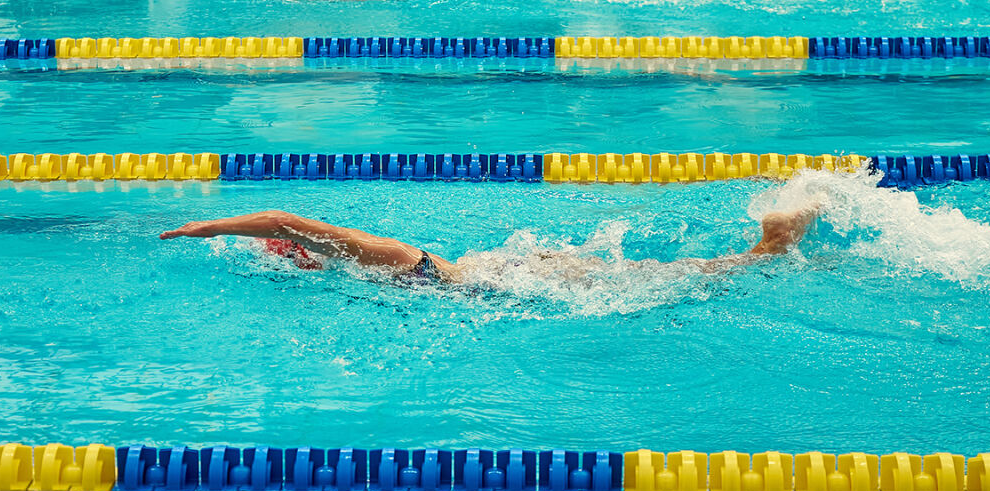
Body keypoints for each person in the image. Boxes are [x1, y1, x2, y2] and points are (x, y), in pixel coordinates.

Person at [158, 202, 823, 284]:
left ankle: (767, 249)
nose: (278, 249)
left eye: (282, 248)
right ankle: (761, 248)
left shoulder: (376, 254)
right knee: (649, 277)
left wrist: (206, 228)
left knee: (661, 284)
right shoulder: (345, 272)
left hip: (507, 284)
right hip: (501, 276)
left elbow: (281, 218)